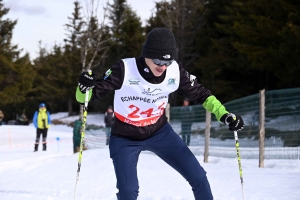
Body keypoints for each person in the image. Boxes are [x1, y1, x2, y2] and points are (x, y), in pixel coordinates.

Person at [76, 27, 244, 200]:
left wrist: (224, 115)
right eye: (158, 61)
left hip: (159, 132)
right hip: (125, 136)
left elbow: (202, 95)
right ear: (146, 55)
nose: (163, 66)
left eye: (168, 62)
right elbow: (86, 98)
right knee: (128, 192)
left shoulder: (175, 72)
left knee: (198, 177)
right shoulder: (125, 68)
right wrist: (83, 87)